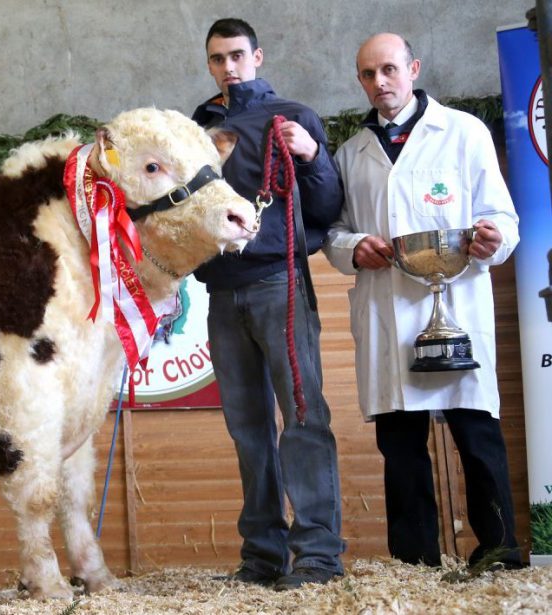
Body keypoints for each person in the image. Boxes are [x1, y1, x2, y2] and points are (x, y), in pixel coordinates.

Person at [324, 32, 522, 569]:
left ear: (412, 68)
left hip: (455, 307)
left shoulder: (463, 132)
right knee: (401, 444)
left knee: (476, 432)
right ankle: (415, 563)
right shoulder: (350, 153)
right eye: (367, 74)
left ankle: (500, 552)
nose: (379, 83)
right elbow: (335, 231)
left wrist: (492, 239)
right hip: (388, 309)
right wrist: (353, 246)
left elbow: (504, 219)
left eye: (388, 69)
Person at [190, 18, 345, 590]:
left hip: (280, 283)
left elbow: (327, 208)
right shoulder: (196, 127)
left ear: (257, 56)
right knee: (247, 427)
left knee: (304, 419)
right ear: (209, 65)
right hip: (220, 290)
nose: (228, 67)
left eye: (236, 56)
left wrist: (310, 156)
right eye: (217, 59)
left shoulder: (293, 117)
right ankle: (262, 555)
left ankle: (319, 556)